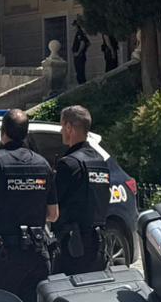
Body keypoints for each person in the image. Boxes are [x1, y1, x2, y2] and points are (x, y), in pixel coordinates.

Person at [0, 109, 54, 302]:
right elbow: (53, 214)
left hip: (6, 253)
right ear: (26, 133)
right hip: (38, 254)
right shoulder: (43, 164)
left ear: (3, 132)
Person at [52, 105, 112, 275]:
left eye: (62, 126)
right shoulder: (100, 161)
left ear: (69, 127)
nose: (61, 131)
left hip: (72, 246)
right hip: (98, 242)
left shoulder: (69, 164)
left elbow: (53, 202)